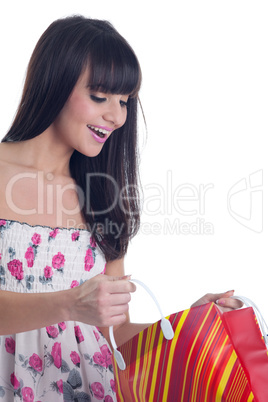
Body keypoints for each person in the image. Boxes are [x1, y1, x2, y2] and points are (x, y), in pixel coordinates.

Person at [0, 15, 242, 401]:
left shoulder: (103, 197)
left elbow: (115, 336)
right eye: (99, 96)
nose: (116, 116)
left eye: (124, 101)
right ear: (55, 82)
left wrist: (190, 325)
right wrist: (67, 304)